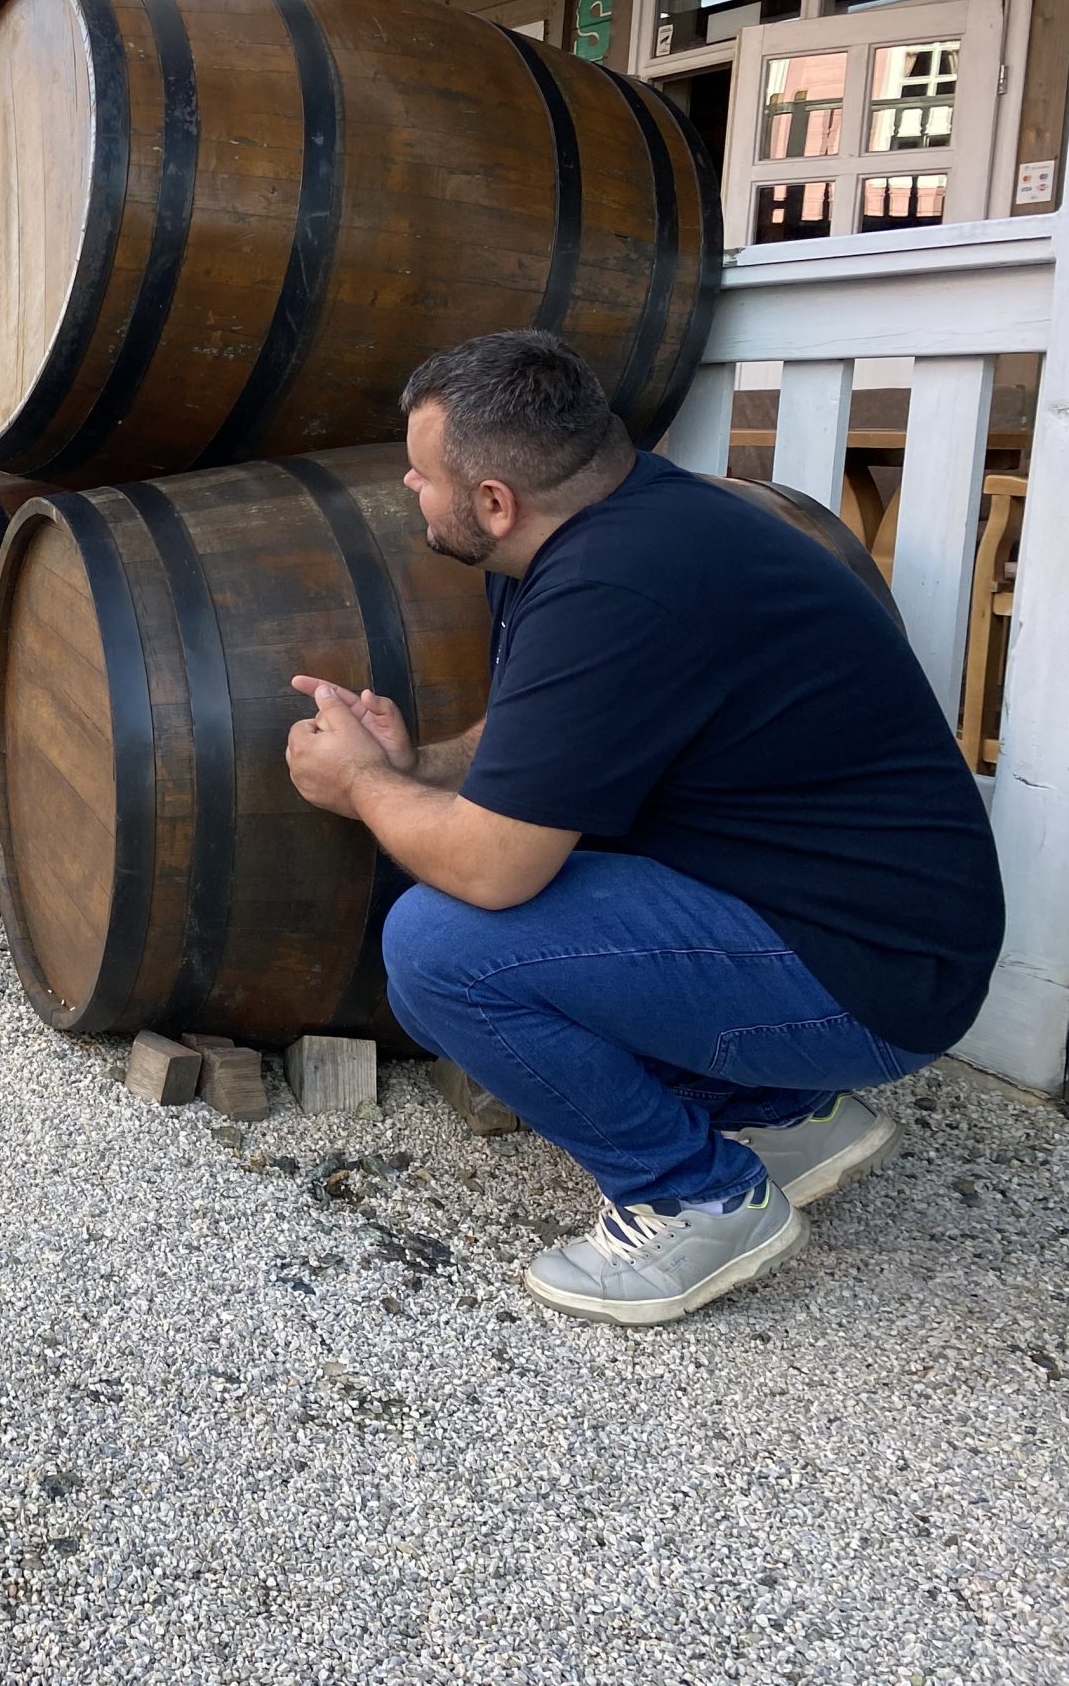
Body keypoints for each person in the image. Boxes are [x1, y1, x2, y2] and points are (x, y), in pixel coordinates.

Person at [283, 329, 1003, 1328]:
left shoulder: (616, 582)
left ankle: (696, 1200)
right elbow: (552, 737)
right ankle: (783, 1117)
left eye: (421, 474)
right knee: (447, 927)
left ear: (494, 500)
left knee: (440, 948)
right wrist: (414, 767)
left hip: (876, 974)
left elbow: (493, 871)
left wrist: (362, 784)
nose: (409, 486)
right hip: (830, 917)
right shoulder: (589, 529)